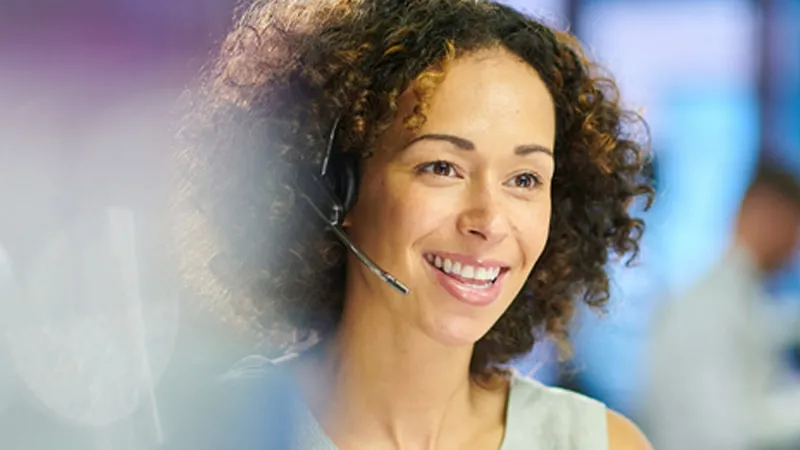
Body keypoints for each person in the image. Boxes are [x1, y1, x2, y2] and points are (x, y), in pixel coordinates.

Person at [173, 0, 654, 448]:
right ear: (335, 185)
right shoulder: (211, 430)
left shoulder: (599, 442)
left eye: (524, 178)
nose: (488, 222)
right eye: (442, 167)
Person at [645, 159, 800, 450]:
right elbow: (723, 431)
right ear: (770, 217)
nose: (796, 247)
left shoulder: (741, 295)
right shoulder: (708, 306)